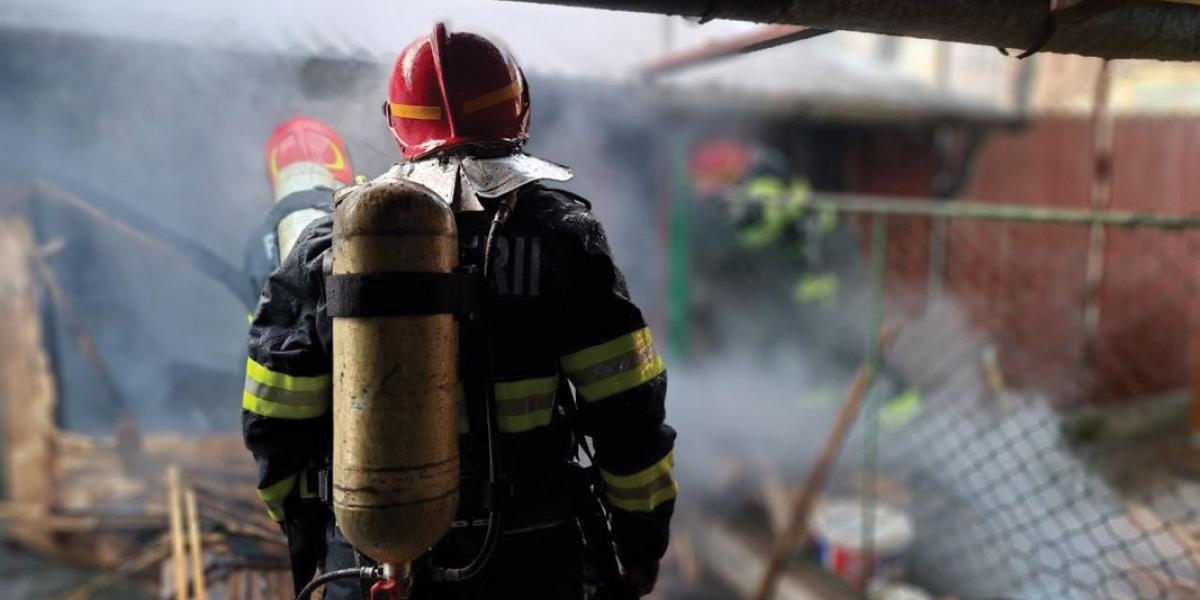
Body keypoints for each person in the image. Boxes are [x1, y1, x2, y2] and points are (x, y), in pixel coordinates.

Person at [241, 23, 676, 600]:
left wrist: (307, 526)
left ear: (396, 122)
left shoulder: (332, 242)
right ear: (519, 110)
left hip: (376, 558)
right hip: (528, 554)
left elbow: (274, 411)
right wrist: (641, 540)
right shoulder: (562, 236)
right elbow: (627, 407)